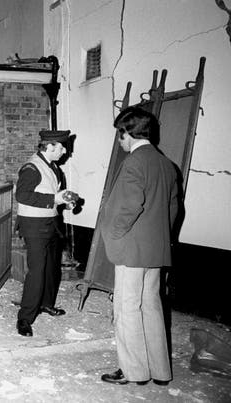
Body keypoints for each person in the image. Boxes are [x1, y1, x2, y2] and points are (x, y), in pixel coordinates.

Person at [99, 107, 179, 386]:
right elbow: (173, 209)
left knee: (127, 308)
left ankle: (133, 372)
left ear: (127, 133)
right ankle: (160, 371)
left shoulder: (134, 162)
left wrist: (116, 234)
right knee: (151, 307)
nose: (119, 142)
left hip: (131, 249)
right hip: (155, 249)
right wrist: (158, 236)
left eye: (120, 135)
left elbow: (131, 205)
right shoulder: (166, 164)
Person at [15, 129, 76, 337]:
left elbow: (55, 194)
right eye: (61, 146)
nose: (64, 150)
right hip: (34, 226)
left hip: (51, 224)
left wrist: (66, 203)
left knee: (52, 268)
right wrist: (54, 200)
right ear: (49, 147)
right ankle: (25, 318)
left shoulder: (55, 169)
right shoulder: (32, 168)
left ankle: (46, 304)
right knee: (37, 271)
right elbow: (22, 196)